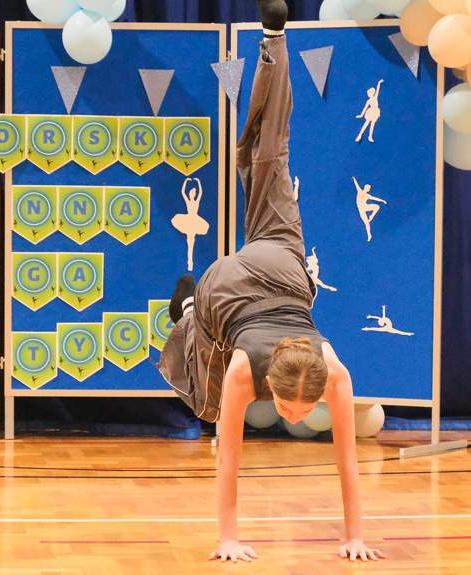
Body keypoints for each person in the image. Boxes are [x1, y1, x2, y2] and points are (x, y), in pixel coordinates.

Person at [158, 0, 384, 563]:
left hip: (284, 265)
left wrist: (356, 537)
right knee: (203, 398)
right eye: (288, 408)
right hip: (226, 289)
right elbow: (228, 457)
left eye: (296, 412)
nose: (293, 417)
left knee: (271, 153)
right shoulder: (246, 373)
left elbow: (349, 465)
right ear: (274, 383)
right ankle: (187, 311)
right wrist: (227, 538)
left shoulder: (331, 372)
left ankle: (273, 40)